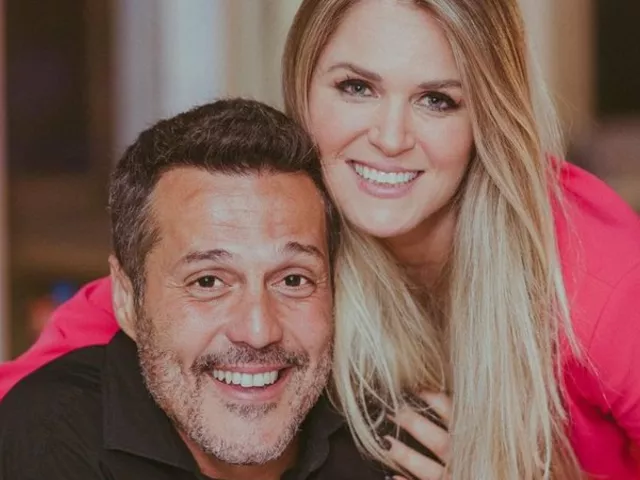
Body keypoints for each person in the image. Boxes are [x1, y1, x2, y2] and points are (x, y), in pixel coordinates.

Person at [1, 0, 639, 478]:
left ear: (489, 116)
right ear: (302, 90)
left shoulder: (596, 272)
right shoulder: (283, 218)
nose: (390, 137)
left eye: (437, 100)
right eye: (357, 88)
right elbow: (39, 401)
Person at [0, 99, 387, 480]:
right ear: (127, 299)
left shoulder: (388, 435)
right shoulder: (52, 434)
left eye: (293, 280)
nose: (258, 331)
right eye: (208, 281)